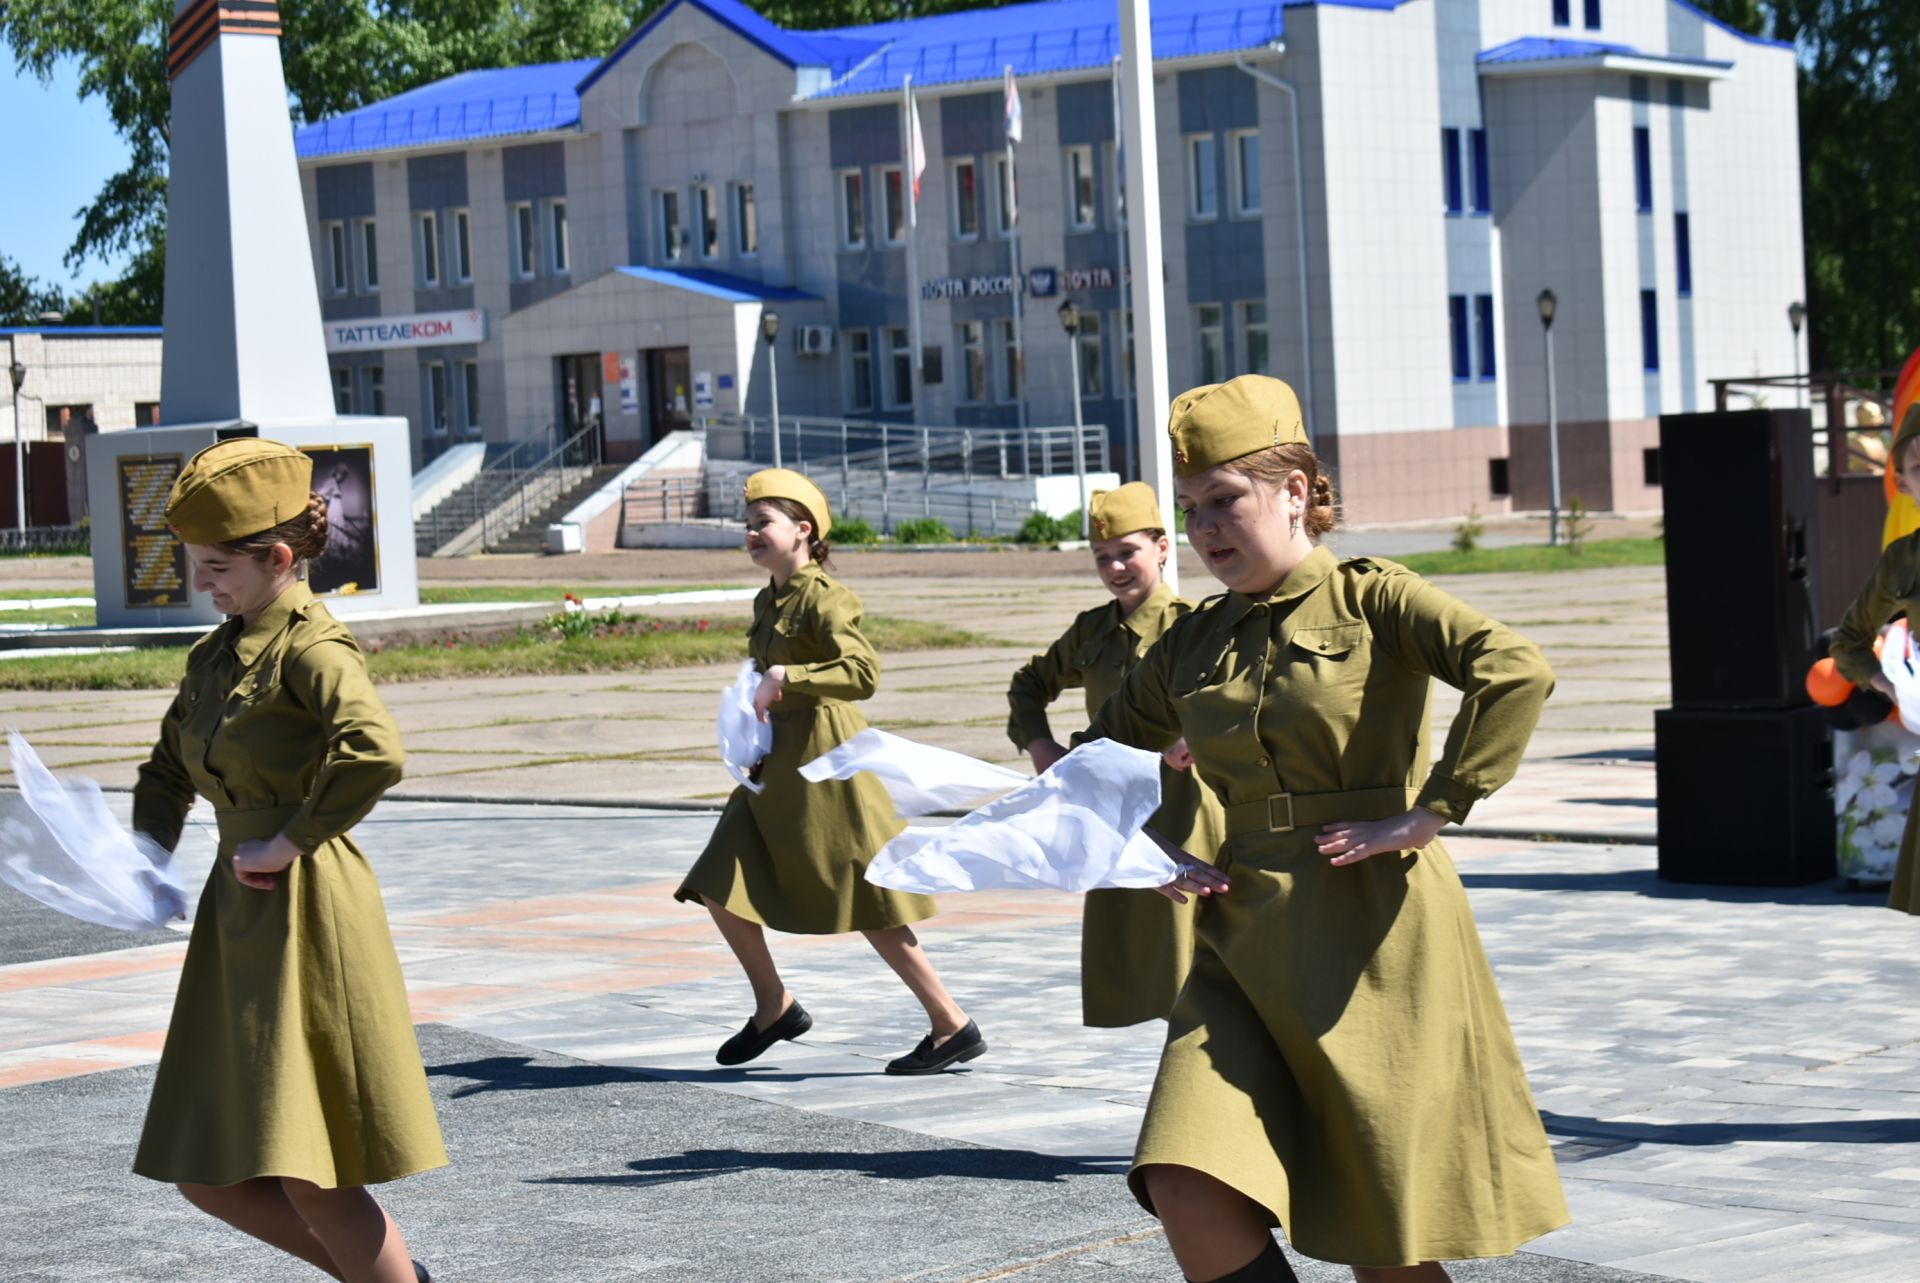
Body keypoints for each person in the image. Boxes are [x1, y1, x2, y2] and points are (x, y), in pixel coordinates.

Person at [1079, 377, 1568, 1282]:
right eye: (1191, 510)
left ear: (1296, 490)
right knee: (1184, 1179)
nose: (1206, 529)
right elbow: (1096, 759)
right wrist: (1134, 848)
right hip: (1239, 937)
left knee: (1379, 1235)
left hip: (1371, 936)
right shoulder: (1191, 643)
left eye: (1225, 500)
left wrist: (1433, 809)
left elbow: (1514, 669)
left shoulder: (1373, 599)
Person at [131, 439, 445, 1283]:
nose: (202, 581)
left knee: (313, 1170)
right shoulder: (216, 654)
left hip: (306, 906)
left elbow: (374, 750)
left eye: (214, 564)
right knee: (209, 1171)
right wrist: (142, 856)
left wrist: (290, 836)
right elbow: (166, 770)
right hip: (238, 916)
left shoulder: (311, 647)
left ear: (277, 558)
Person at [675, 468, 985, 1074]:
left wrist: (793, 677)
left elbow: (862, 673)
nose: (752, 533)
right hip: (773, 769)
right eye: (748, 525)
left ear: (803, 530)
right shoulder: (769, 598)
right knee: (717, 881)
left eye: (763, 522)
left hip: (827, 768)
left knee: (867, 895)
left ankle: (951, 1023)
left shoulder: (826, 597)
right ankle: (775, 1006)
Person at [1006, 482, 1225, 1026]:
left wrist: (1194, 736)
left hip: (1182, 806)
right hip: (1113, 809)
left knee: (1188, 942)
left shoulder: (1191, 624)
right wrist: (1039, 744)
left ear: (1162, 548)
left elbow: (1232, 696)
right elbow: (1029, 684)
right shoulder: (1093, 630)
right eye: (1103, 557)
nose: (1116, 567)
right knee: (1129, 945)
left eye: (1128, 552)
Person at [1832, 403, 1920, 912]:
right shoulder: (1905, 560)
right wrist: (1890, 686)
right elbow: (1848, 641)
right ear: (1903, 483)